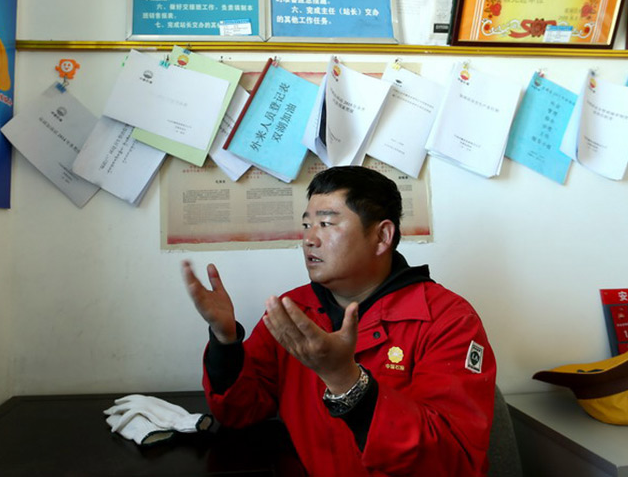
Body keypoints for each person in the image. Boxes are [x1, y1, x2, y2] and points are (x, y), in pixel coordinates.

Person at [181, 166, 496, 477]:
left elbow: (452, 462)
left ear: (381, 236)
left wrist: (345, 380)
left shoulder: (447, 320)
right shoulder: (293, 311)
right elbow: (240, 411)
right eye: (307, 225)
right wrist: (225, 341)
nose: (309, 239)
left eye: (327, 223)